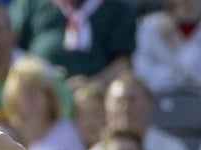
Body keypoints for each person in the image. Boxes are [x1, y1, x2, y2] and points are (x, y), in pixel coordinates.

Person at [9, 0, 137, 89]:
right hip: (36, 92)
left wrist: (93, 84)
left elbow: (123, 63)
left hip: (92, 101)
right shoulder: (31, 3)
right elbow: (10, 46)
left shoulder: (118, 8)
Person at [1, 56, 85, 150]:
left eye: (37, 90)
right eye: (24, 91)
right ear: (13, 98)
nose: (31, 97)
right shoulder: (4, 135)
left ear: (49, 96)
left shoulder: (67, 132)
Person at [132, 0, 201, 94]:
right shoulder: (150, 26)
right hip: (160, 97)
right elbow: (143, 71)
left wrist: (177, 44)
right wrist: (179, 79)